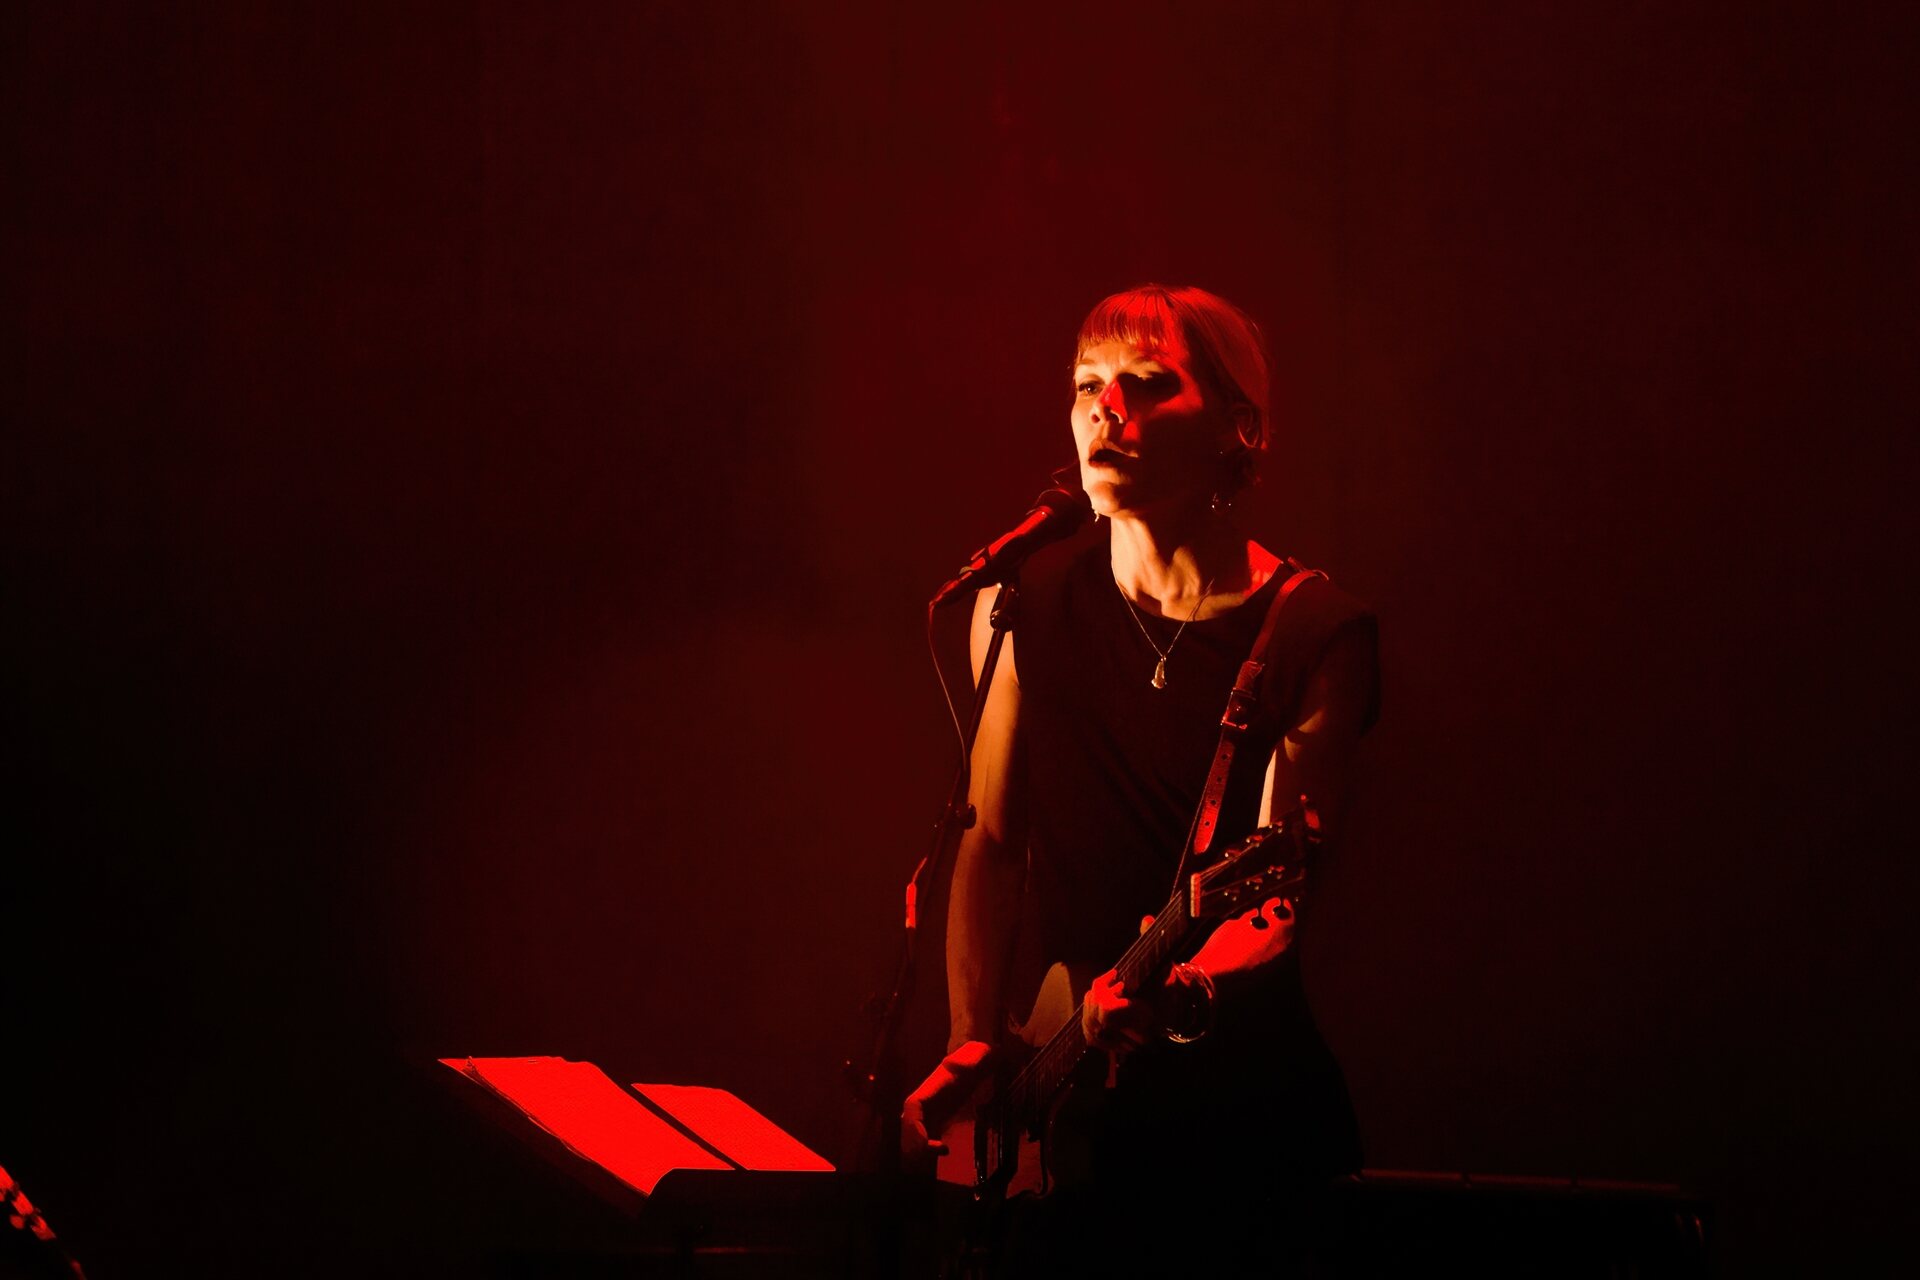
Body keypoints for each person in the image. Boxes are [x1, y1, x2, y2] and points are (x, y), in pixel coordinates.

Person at [901, 284, 1380, 1276]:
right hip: (1068, 1113)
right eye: (1088, 385)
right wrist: (971, 1038)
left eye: (1147, 383)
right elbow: (992, 839)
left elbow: (1276, 895)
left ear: (1237, 428)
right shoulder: (1023, 602)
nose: (1105, 409)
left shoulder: (1313, 632)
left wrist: (1180, 984)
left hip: (1240, 1128)